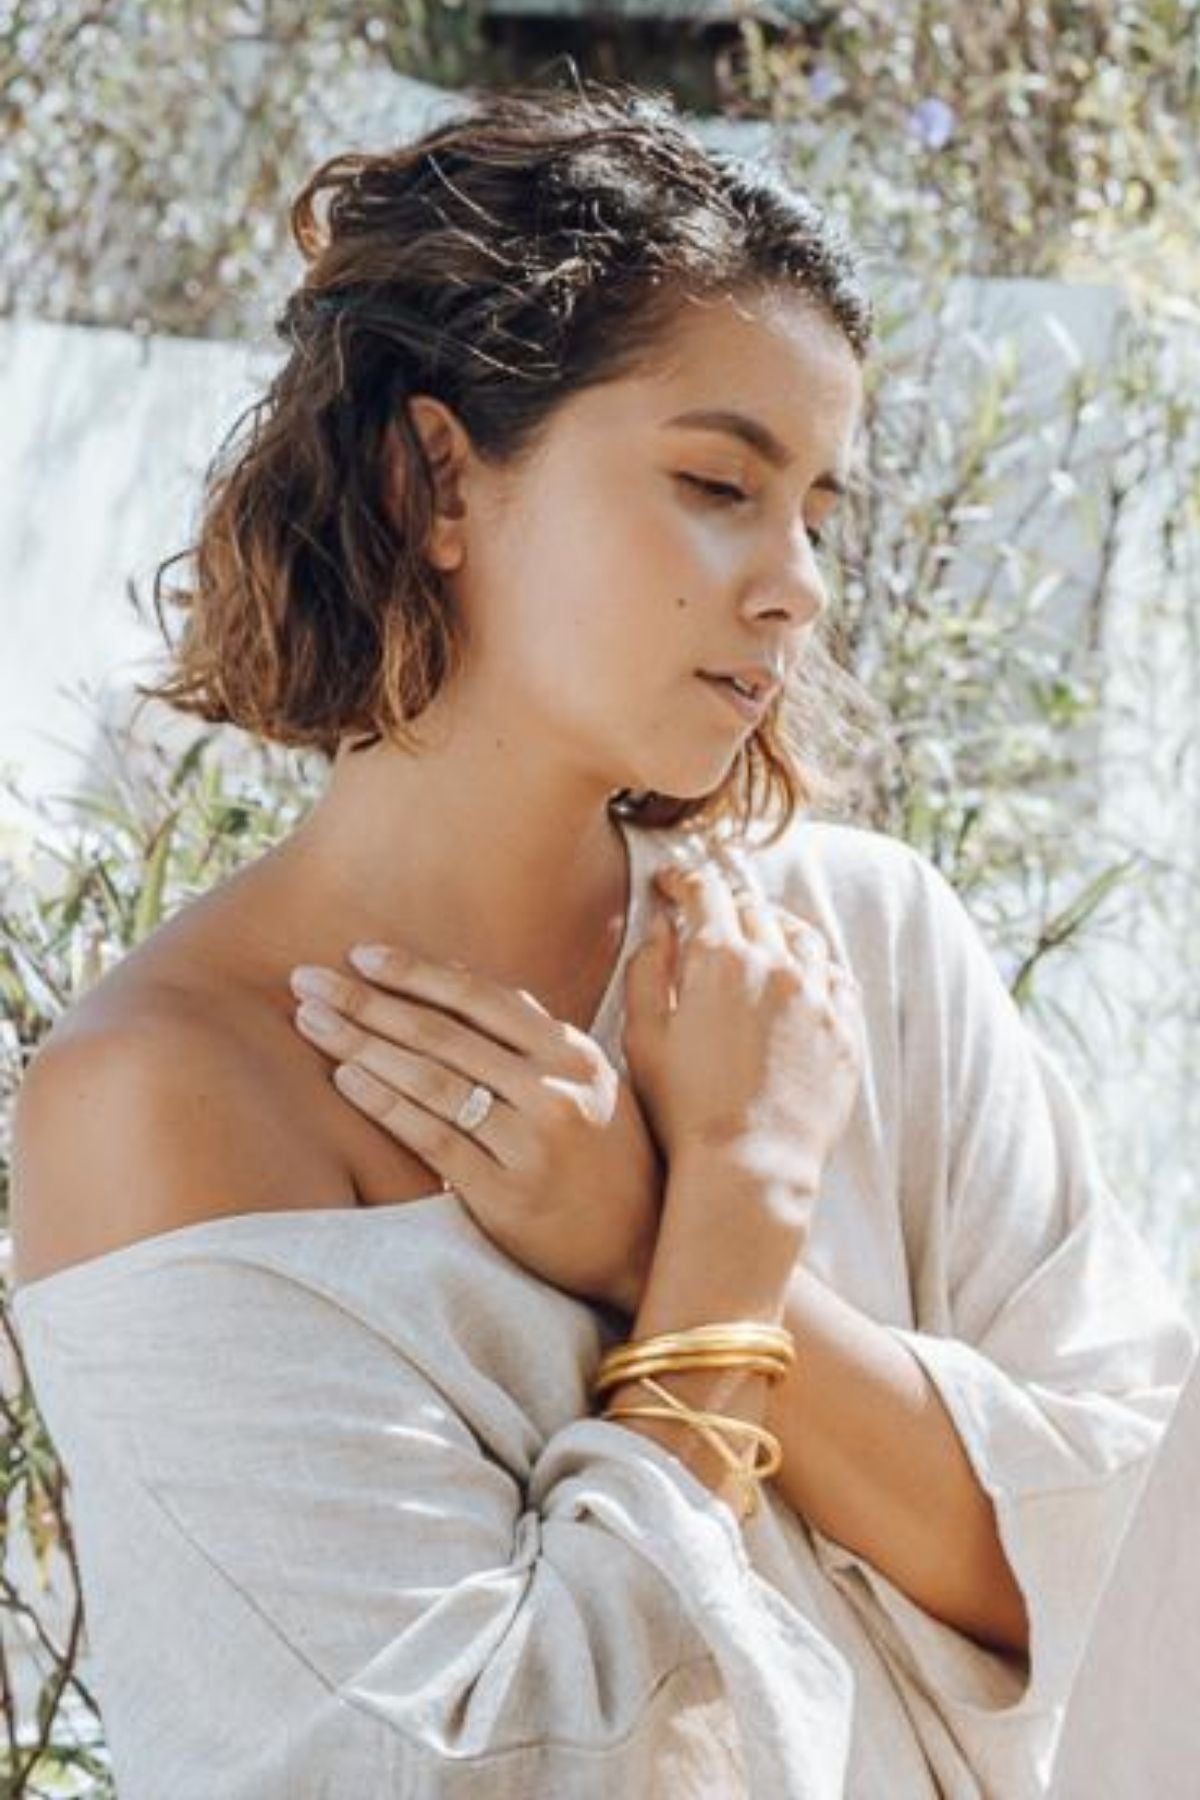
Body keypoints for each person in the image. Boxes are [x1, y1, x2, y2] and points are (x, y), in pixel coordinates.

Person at [7, 75, 1195, 1800]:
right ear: (436, 479)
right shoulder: (165, 1102)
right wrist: (724, 1223)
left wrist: (664, 1227)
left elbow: (1135, 1580)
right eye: (721, 481)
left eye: (819, 512)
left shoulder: (859, 952)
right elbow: (494, 1778)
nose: (795, 581)